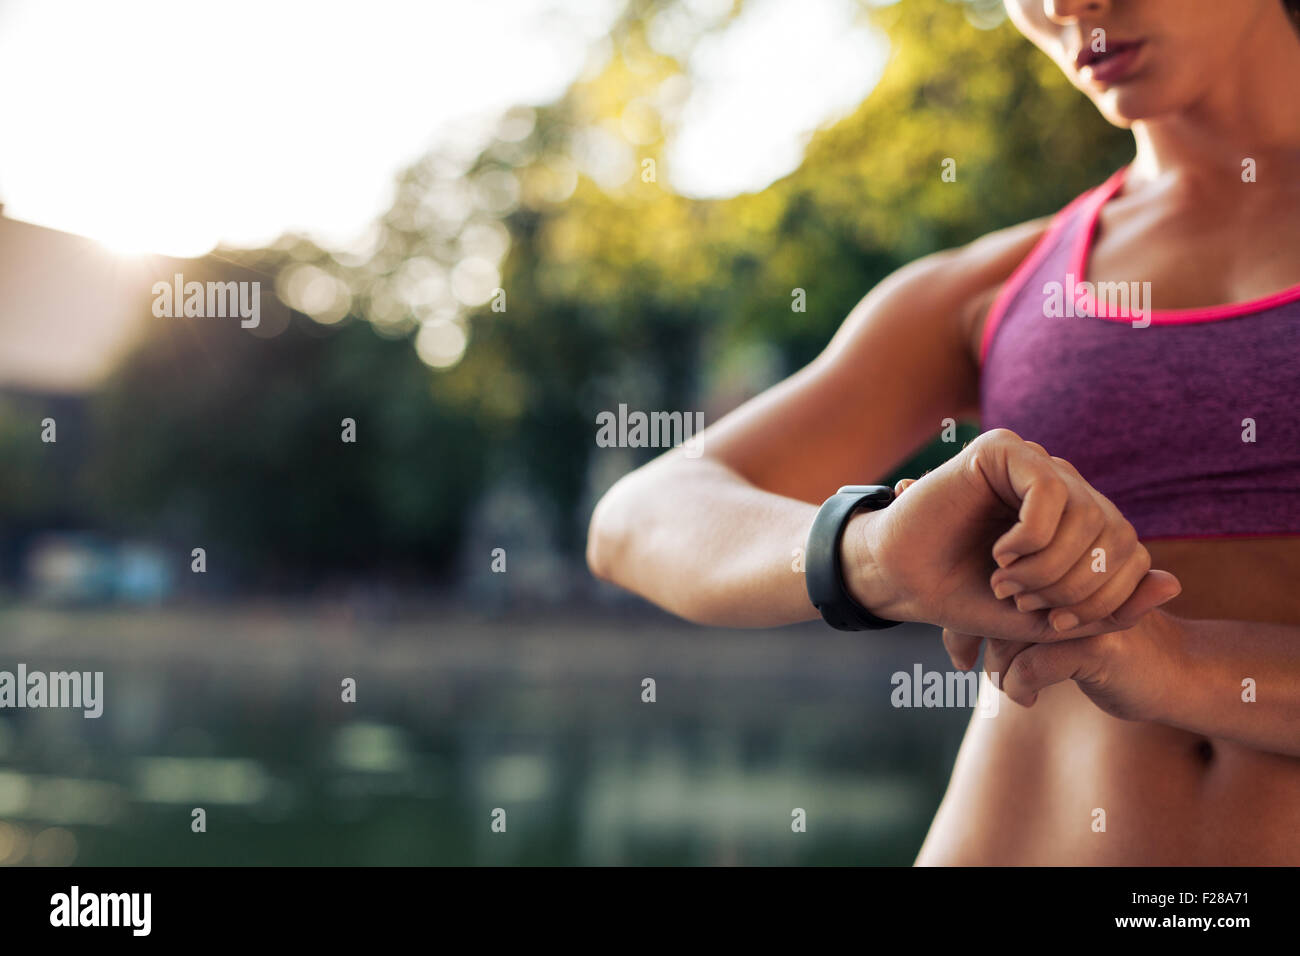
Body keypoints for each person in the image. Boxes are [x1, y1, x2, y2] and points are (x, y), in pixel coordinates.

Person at [586, 0, 1300, 864]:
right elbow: (638, 517)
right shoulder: (992, 289)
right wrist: (877, 555)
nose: (1065, 6)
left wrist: (1179, 664)